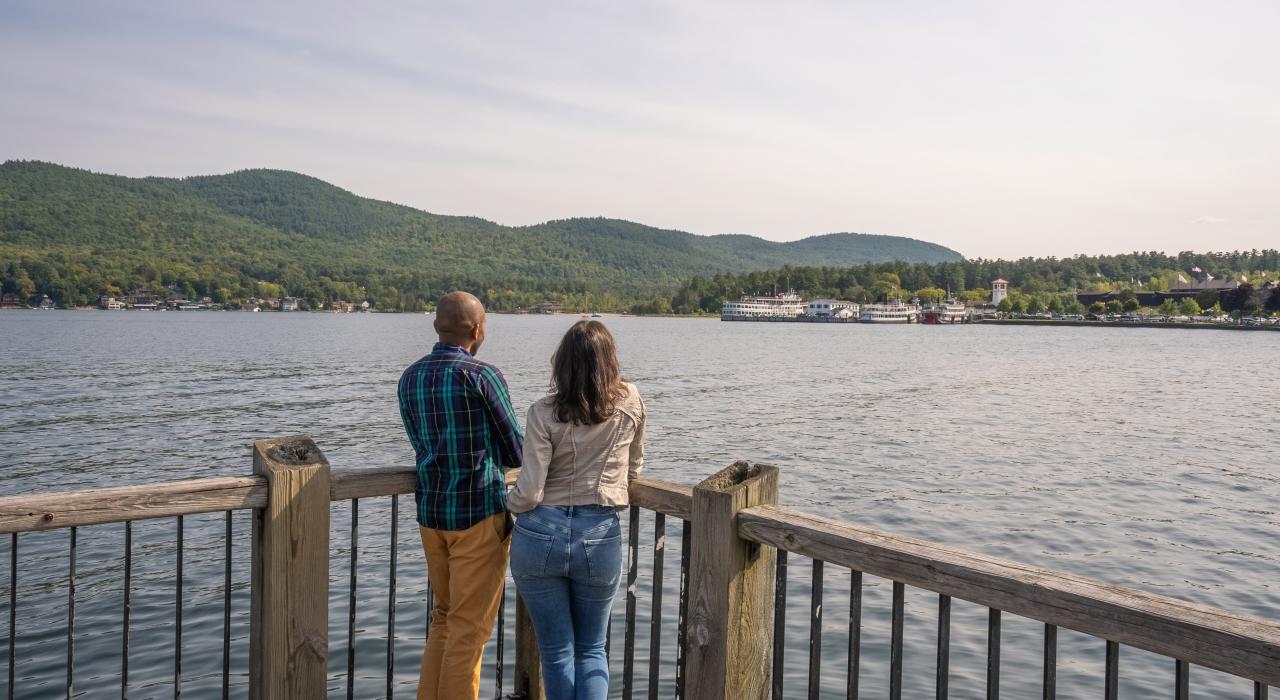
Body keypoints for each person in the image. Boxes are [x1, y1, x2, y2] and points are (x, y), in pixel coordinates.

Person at [507, 320, 646, 700]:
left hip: (539, 535)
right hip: (599, 532)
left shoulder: (543, 411)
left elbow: (530, 489)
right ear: (610, 361)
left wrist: (508, 503)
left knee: (556, 652)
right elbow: (634, 468)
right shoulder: (631, 400)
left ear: (562, 364)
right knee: (592, 649)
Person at [397, 291, 523, 700]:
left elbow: (420, 444)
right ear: (478, 329)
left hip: (431, 515)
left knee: (445, 619)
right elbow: (515, 451)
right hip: (478, 515)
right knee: (468, 633)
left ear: (436, 327)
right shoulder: (482, 376)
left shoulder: (409, 378)